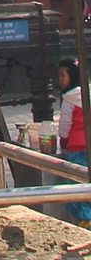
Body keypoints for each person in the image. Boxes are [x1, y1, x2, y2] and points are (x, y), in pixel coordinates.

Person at [58, 59, 91, 228]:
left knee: (77, 187)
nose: (60, 79)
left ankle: (85, 220)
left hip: (77, 148)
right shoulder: (88, 93)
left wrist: (63, 139)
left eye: (63, 75)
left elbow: (64, 126)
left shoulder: (69, 98)